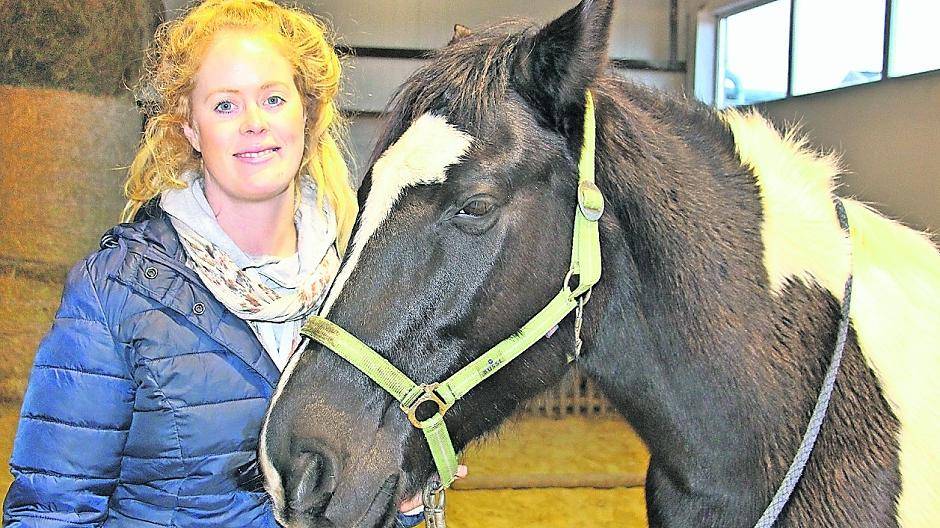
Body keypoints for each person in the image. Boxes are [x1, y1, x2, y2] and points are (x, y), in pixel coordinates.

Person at [2, 1, 440, 526]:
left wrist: (403, 506)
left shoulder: (362, 284)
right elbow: (51, 509)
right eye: (225, 105)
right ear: (190, 127)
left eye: (273, 99)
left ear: (307, 113)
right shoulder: (115, 292)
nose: (254, 123)